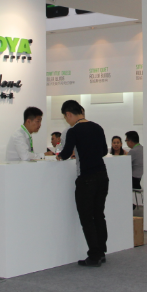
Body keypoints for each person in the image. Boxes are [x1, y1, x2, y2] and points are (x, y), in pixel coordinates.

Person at [58, 100, 109, 267]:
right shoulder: (98, 127)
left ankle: (94, 255)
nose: (67, 120)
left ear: (69, 114)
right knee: (99, 214)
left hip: (86, 178)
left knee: (87, 218)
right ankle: (101, 251)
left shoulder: (73, 131)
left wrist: (59, 156)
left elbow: (66, 153)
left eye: (65, 117)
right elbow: (104, 151)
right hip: (102, 176)